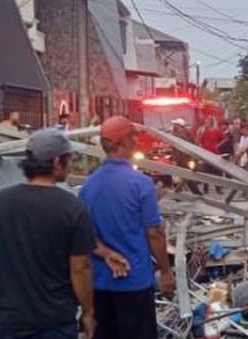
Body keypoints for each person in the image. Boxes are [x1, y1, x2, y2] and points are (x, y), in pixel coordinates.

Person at [0, 128, 96, 339]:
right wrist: (88, 311)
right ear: (58, 162)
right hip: (55, 324)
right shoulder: (72, 208)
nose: (70, 166)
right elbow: (80, 267)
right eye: (68, 159)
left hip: (8, 323)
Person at [79, 116, 176, 339]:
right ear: (124, 142)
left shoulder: (88, 185)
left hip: (100, 282)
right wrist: (166, 271)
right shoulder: (141, 184)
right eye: (133, 137)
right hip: (134, 281)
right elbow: (154, 234)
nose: (136, 141)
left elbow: (85, 236)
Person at [171, 118, 204, 195]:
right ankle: (181, 193)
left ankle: (180, 193)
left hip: (182, 158)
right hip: (185, 158)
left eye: (174, 124)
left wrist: (175, 160)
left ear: (178, 125)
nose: (173, 125)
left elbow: (178, 148)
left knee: (182, 176)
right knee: (183, 176)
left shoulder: (179, 134)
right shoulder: (185, 132)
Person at [199, 116, 227, 194]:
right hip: (206, 156)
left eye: (206, 122)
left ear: (210, 123)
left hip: (215, 155)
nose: (205, 123)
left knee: (217, 172)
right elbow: (201, 142)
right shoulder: (204, 133)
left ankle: (219, 189)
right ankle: (205, 189)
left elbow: (225, 139)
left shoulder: (217, 131)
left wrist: (218, 145)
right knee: (205, 172)